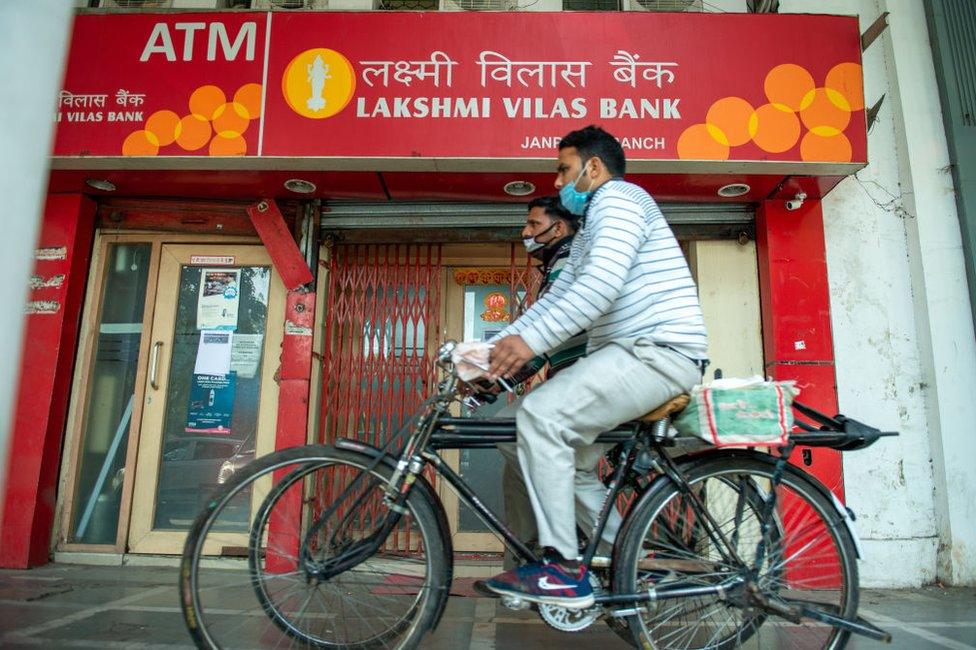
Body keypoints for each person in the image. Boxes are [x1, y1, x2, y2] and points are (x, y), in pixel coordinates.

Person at [483, 125, 709, 609]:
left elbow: (600, 287)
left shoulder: (620, 199)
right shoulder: (589, 230)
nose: (561, 182)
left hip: (657, 352)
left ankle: (563, 571)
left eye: (564, 170)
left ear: (593, 167)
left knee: (540, 415)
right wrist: (486, 353)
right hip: (631, 355)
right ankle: (633, 565)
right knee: (577, 467)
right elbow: (558, 299)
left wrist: (528, 345)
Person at [489, 196, 624, 571]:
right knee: (514, 454)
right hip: (577, 381)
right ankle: (525, 558)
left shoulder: (568, 264)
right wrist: (495, 374)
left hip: (596, 383)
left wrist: (496, 376)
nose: (526, 232)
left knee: (510, 429)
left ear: (559, 229)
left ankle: (618, 553)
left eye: (533, 225)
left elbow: (553, 332)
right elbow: (540, 335)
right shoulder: (557, 268)